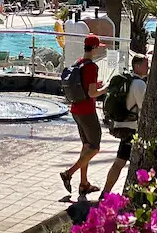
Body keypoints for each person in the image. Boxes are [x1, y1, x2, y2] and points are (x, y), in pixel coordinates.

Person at [59, 34, 108, 196]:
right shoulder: (92, 67)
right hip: (87, 111)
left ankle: (84, 184)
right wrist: (106, 88)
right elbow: (93, 93)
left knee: (86, 146)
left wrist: (95, 86)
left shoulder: (78, 63)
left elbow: (84, 86)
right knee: (94, 147)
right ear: (93, 48)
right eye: (98, 47)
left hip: (76, 110)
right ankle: (69, 173)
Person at [102, 54, 149, 197]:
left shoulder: (125, 80)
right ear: (137, 66)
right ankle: (131, 196)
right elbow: (144, 108)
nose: (148, 67)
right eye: (145, 65)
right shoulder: (139, 84)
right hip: (133, 129)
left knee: (119, 163)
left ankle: (105, 193)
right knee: (135, 165)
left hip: (121, 125)